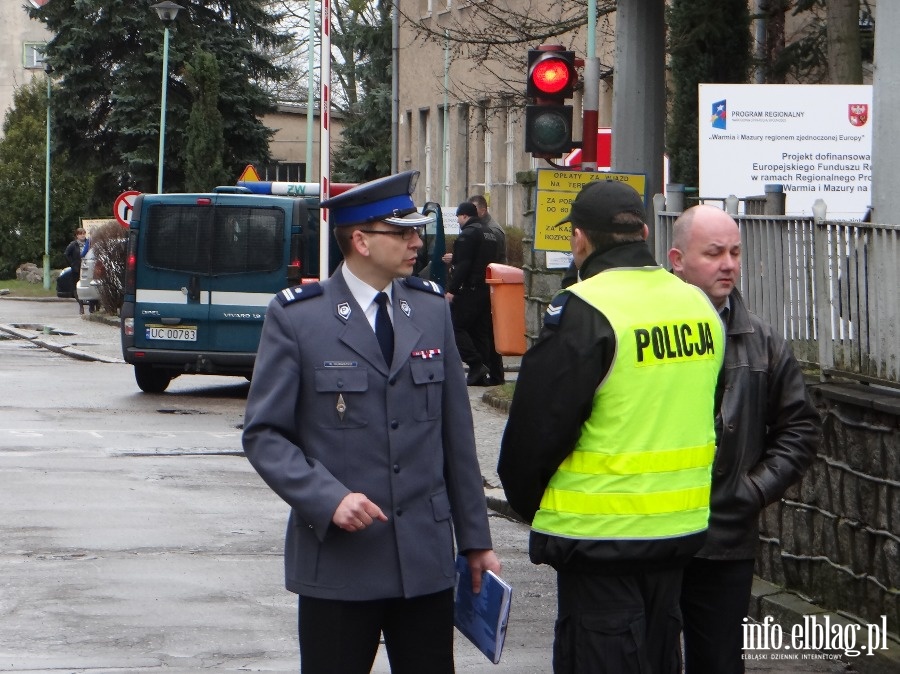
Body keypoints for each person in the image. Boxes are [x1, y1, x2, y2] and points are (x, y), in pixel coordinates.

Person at [242, 170, 500, 674]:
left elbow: (456, 438)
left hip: (423, 563)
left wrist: (476, 542)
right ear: (360, 240)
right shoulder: (299, 318)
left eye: (416, 230)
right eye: (401, 232)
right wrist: (328, 498)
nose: (416, 242)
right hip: (340, 562)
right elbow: (265, 435)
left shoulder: (429, 310)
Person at [497, 180, 725, 674]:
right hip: (679, 533)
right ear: (644, 231)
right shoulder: (699, 307)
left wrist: (535, 506)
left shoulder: (584, 309)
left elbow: (536, 434)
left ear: (579, 239)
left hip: (600, 542)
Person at [668, 205, 820, 674]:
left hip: (725, 538)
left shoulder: (764, 341)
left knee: (718, 663)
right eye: (714, 253)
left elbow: (800, 428)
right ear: (677, 259)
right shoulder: (647, 333)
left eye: (735, 252)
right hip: (650, 535)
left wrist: (751, 490)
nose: (729, 264)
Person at [444, 201, 499, 386]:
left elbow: (464, 265)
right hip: (486, 289)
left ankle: (475, 365)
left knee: (454, 326)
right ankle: (481, 375)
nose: (458, 221)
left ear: (465, 216)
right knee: (479, 332)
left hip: (471, 289)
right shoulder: (489, 232)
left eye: (458, 217)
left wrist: (452, 289)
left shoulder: (468, 233)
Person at [469, 194, 506, 384]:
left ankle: (494, 374)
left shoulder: (492, 230)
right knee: (484, 332)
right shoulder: (483, 228)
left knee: (488, 333)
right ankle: (490, 373)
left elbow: (494, 260)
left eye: (472, 210)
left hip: (491, 287)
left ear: (482, 210)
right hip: (488, 285)